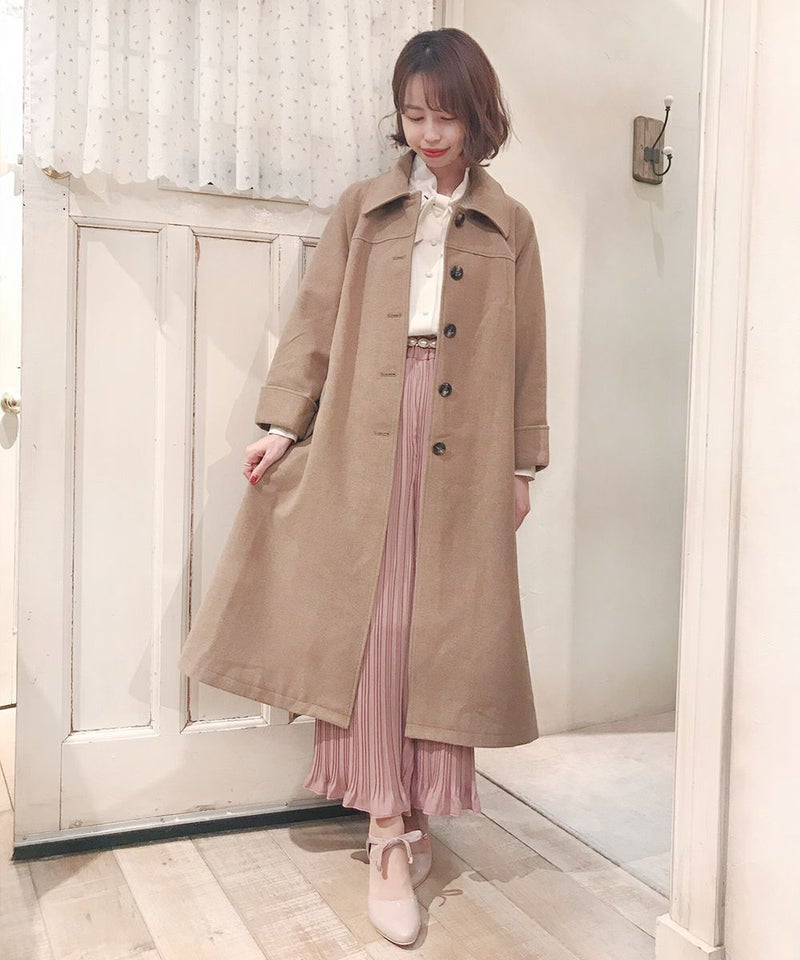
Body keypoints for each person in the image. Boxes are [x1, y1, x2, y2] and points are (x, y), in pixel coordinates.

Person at [239, 27, 549, 947]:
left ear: (479, 117)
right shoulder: (363, 209)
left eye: (445, 115)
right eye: (414, 115)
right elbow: (314, 321)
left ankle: (416, 807)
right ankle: (382, 827)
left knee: (436, 624)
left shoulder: (511, 224)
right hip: (364, 421)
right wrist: (281, 423)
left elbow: (527, 353)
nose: (429, 133)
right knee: (370, 620)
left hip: (467, 439)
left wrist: (521, 465)